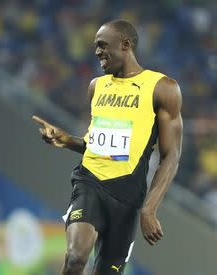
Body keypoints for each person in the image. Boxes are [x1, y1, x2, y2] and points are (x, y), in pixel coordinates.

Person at [33, 20, 182, 275]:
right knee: (76, 256)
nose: (97, 52)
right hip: (89, 182)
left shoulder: (162, 88)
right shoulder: (97, 87)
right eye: (95, 47)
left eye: (102, 45)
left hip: (128, 195)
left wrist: (149, 207)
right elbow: (99, 145)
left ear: (125, 45)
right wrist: (67, 139)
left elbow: (171, 156)